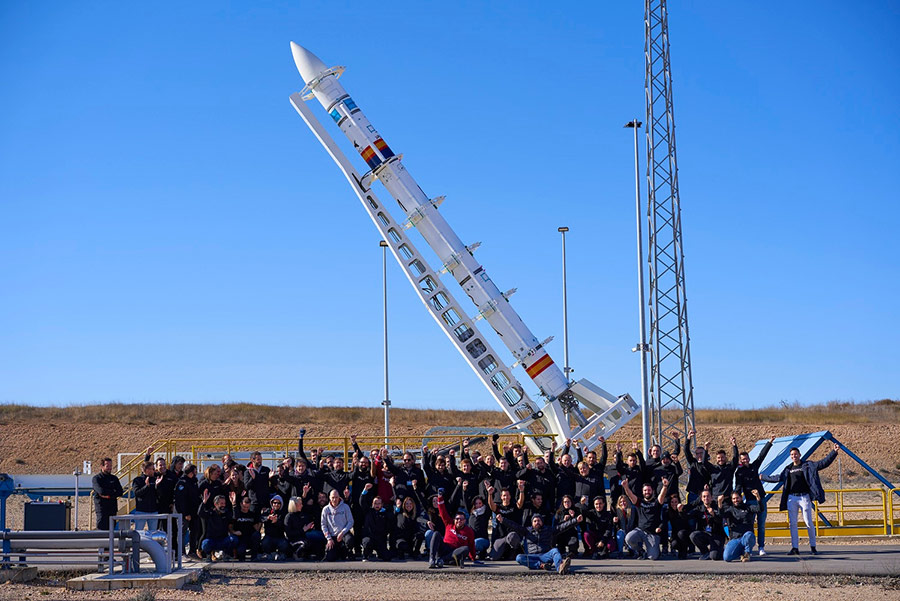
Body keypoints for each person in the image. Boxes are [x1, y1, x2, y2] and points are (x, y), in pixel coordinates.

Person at [761, 442, 839, 555]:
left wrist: (834, 452)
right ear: (790, 456)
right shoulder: (788, 469)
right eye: (792, 454)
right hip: (791, 498)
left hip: (804, 497)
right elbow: (778, 478)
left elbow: (823, 463)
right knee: (793, 524)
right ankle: (795, 548)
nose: (794, 456)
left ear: (800, 454)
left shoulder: (808, 465)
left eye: (796, 454)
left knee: (808, 522)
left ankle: (813, 547)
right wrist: (763, 477)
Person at [735, 435, 775, 555]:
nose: (745, 460)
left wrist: (770, 442)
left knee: (761, 525)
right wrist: (736, 497)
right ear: (740, 460)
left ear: (749, 458)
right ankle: (749, 548)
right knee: (750, 526)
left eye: (746, 458)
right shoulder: (739, 473)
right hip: (750, 502)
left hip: (761, 500)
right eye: (743, 459)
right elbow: (738, 487)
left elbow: (762, 456)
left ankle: (761, 547)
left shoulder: (754, 466)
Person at [497, 513, 571, 575]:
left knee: (555, 550)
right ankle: (541, 565)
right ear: (532, 523)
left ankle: (560, 567)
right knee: (519, 557)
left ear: (542, 522)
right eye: (535, 521)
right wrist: (503, 520)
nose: (537, 522)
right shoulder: (527, 531)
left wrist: (576, 520)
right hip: (531, 557)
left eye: (539, 520)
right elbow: (515, 526)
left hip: (545, 556)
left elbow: (562, 527)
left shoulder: (548, 530)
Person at [622, 477, 670, 560]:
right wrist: (626, 487)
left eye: (649, 490)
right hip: (640, 530)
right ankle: (641, 551)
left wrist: (665, 486)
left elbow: (662, 495)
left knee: (653, 557)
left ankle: (654, 550)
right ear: (642, 492)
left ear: (652, 491)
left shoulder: (656, 502)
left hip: (652, 533)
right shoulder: (639, 502)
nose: (647, 492)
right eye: (645, 490)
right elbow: (630, 495)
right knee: (629, 538)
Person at [428, 491, 475, 568]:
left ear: (465, 521)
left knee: (466, 549)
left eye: (461, 519)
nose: (459, 521)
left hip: (455, 552)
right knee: (436, 533)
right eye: (457, 519)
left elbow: (472, 545)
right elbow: (442, 510)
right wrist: (440, 498)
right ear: (454, 519)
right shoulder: (449, 523)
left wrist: (473, 558)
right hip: (444, 548)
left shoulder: (469, 531)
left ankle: (442, 560)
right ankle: (432, 559)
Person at [721, 490, 762, 562]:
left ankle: (747, 553)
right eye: (733, 499)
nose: (736, 500)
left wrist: (758, 497)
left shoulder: (748, 507)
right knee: (726, 558)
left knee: (748, 535)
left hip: (747, 537)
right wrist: (719, 503)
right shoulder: (730, 510)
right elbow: (721, 515)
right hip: (735, 538)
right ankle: (740, 552)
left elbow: (760, 509)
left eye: (737, 498)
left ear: (741, 498)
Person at [687, 489, 725, 561]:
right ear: (701, 498)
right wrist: (680, 511)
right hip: (706, 534)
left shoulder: (717, 507)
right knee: (693, 535)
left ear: (711, 497)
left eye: (708, 496)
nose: (706, 498)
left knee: (715, 557)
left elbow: (721, 520)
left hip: (717, 535)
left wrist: (714, 515)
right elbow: (688, 516)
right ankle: (705, 552)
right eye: (704, 496)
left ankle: (719, 550)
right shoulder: (699, 509)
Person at [198, 490, 237, 560]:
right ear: (216, 504)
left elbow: (235, 517)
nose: (223, 505)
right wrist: (204, 501)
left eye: (224, 503)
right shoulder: (211, 513)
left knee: (233, 539)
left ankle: (226, 554)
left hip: (223, 539)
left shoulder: (226, 512)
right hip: (212, 540)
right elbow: (200, 513)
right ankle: (209, 555)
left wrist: (233, 504)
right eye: (221, 503)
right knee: (205, 544)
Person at [174, 463, 201, 558]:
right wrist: (185, 513)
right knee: (182, 532)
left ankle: (192, 551)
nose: (196, 473)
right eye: (194, 471)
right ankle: (181, 553)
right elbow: (181, 500)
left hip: (194, 512)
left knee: (195, 532)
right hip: (185, 513)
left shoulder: (194, 481)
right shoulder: (182, 482)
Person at [321, 489, 355, 561]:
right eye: (333, 497)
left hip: (343, 534)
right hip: (332, 536)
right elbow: (323, 525)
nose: (335, 499)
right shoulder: (326, 509)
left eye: (336, 497)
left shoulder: (345, 507)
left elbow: (350, 521)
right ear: (329, 498)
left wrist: (343, 532)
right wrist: (329, 538)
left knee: (349, 540)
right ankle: (337, 552)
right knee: (330, 558)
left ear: (339, 497)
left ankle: (348, 552)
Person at [91, 457, 123, 530]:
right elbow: (101, 491)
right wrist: (113, 492)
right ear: (102, 466)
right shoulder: (97, 478)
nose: (109, 468)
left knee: (112, 530)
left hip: (112, 509)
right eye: (107, 466)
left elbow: (120, 492)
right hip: (102, 509)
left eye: (111, 466)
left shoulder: (114, 478)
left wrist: (108, 496)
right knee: (102, 530)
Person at [361, 496, 394, 561]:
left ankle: (380, 554)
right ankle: (365, 555)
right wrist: (364, 492)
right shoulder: (368, 511)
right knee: (367, 542)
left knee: (387, 557)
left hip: (380, 540)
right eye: (375, 503)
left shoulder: (385, 514)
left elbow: (390, 525)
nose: (377, 505)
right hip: (369, 538)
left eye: (379, 503)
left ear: (382, 505)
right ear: (372, 504)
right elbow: (362, 502)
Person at [231, 494, 262, 561]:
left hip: (250, 538)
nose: (246, 509)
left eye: (248, 507)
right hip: (241, 538)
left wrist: (260, 521)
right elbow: (230, 526)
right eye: (244, 507)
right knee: (241, 552)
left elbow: (257, 529)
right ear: (241, 504)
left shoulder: (252, 514)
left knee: (257, 535)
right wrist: (234, 532)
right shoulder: (237, 514)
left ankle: (254, 556)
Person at [284, 496, 315, 560]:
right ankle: (296, 554)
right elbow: (289, 533)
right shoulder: (288, 517)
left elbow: (305, 526)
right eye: (300, 504)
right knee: (304, 543)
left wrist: (309, 527)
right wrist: (303, 530)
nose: (302, 505)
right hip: (292, 540)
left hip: (302, 537)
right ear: (294, 505)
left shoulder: (301, 515)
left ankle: (307, 555)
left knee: (313, 540)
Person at [259, 495, 289, 561]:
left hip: (280, 537)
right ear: (271, 503)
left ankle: (280, 554)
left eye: (278, 503)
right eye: (274, 503)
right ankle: (268, 554)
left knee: (284, 544)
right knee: (265, 542)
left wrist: (276, 522)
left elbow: (284, 525)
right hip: (269, 536)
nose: (276, 505)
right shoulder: (267, 511)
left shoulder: (283, 513)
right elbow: (261, 518)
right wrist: (268, 518)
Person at [131, 461, 159, 531]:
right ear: (147, 470)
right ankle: (137, 542)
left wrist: (159, 486)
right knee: (138, 532)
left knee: (153, 533)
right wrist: (146, 486)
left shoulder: (155, 480)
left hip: (153, 510)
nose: (154, 471)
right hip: (141, 511)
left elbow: (159, 494)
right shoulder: (138, 480)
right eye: (152, 469)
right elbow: (137, 493)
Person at [243, 451, 271, 517]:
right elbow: (247, 486)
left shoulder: (266, 470)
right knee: (254, 521)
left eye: (261, 459)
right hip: (254, 501)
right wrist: (253, 478)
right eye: (258, 459)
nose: (260, 461)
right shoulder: (248, 472)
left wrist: (271, 478)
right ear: (252, 460)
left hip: (265, 501)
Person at [613, 493, 637, 557]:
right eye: (620, 502)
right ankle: (620, 551)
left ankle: (633, 550)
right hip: (622, 531)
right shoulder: (617, 511)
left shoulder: (633, 510)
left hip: (632, 531)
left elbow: (636, 522)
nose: (622, 503)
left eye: (624, 501)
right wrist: (615, 522)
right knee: (620, 534)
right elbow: (615, 526)